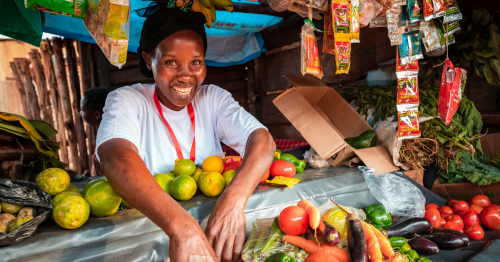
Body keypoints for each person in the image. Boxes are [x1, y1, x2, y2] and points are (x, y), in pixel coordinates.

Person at [95, 5, 275, 262]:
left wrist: (232, 203)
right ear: (149, 60)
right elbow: (114, 158)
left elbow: (262, 140)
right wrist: (183, 228)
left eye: (196, 63)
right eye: (171, 62)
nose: (186, 76)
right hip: (150, 245)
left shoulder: (212, 98)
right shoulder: (128, 100)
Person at [80, 87, 110, 178]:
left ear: (97, 115)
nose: (80, 114)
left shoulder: (109, 138)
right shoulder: (103, 132)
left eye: (82, 111)